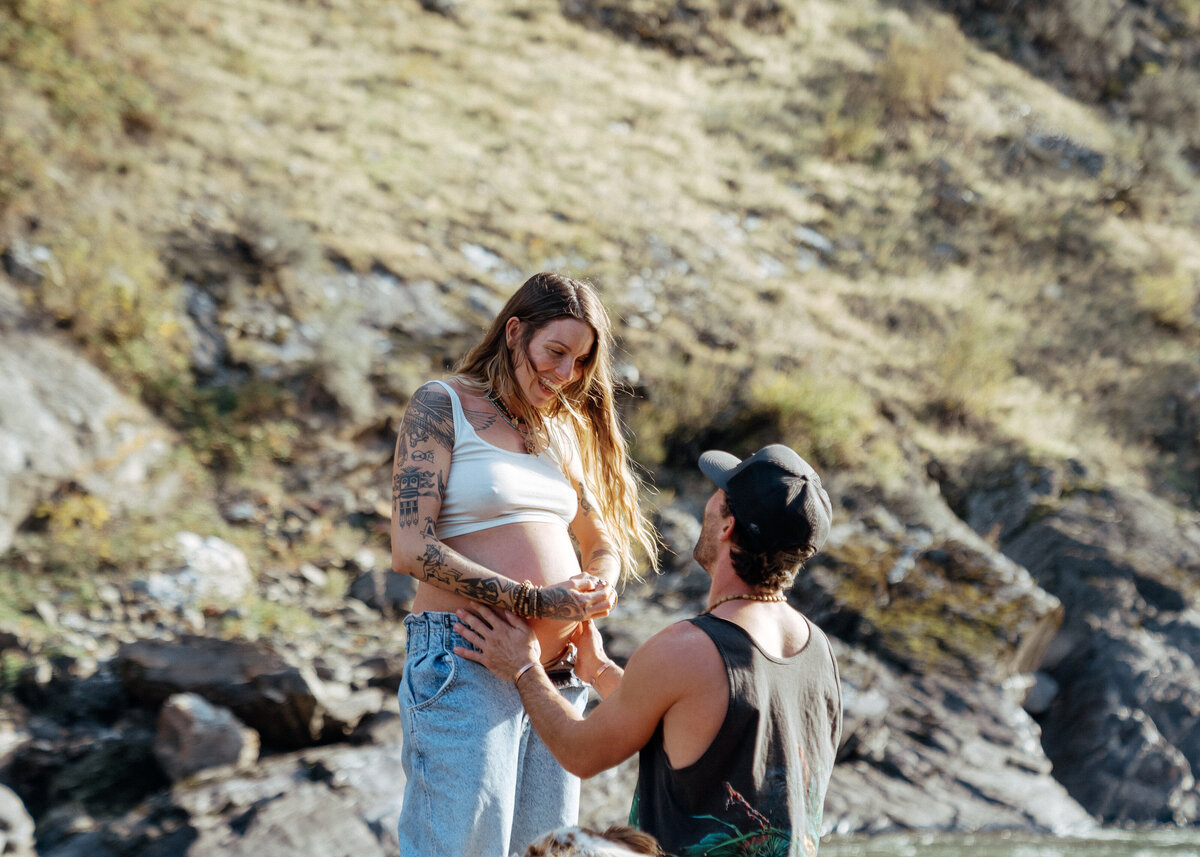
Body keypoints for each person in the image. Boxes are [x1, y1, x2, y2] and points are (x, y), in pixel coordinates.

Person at [456, 444, 843, 857]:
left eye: (718, 493)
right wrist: (601, 670)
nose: (709, 503)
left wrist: (522, 667)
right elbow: (696, 721)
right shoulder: (819, 653)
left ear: (728, 525)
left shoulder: (689, 648)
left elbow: (580, 751)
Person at [390, 272, 659, 856]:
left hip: (554, 677)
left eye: (581, 362)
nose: (565, 374)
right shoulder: (443, 405)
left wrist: (598, 588)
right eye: (555, 352)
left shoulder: (558, 430)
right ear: (515, 332)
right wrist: (535, 602)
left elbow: (601, 539)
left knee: (548, 853)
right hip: (466, 660)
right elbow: (410, 547)